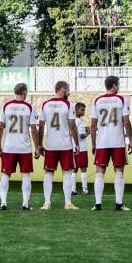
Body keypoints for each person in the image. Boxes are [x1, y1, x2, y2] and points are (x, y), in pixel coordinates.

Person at [90, 75, 132, 211]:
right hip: (117, 141)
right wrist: (130, 140)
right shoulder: (122, 99)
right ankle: (119, 204)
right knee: (119, 171)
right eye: (118, 84)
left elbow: (92, 124)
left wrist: (93, 144)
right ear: (114, 85)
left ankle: (97, 204)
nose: (119, 87)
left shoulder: (97, 100)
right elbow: (126, 122)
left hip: (102, 141)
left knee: (99, 171)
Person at [36, 80, 80, 210]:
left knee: (48, 173)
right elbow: (72, 126)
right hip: (65, 145)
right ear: (62, 89)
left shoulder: (45, 104)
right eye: (67, 90)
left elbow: (41, 126)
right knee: (67, 172)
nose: (69, 92)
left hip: (51, 145)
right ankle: (67, 203)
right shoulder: (68, 105)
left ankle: (47, 203)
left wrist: (39, 144)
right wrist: (77, 144)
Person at [0, 82, 38, 210]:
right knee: (25, 175)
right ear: (24, 92)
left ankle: (3, 202)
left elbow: (0, 127)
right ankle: (25, 203)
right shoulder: (29, 107)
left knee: (5, 174)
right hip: (24, 147)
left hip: (9, 147)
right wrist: (37, 147)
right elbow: (33, 129)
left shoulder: (6, 106)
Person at [71, 103, 89, 196]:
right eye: (82, 110)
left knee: (74, 169)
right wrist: (88, 133)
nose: (83, 111)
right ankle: (85, 189)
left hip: (74, 147)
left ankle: (73, 189)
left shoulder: (73, 120)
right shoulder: (79, 121)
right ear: (76, 110)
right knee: (83, 168)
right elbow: (81, 136)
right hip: (81, 148)